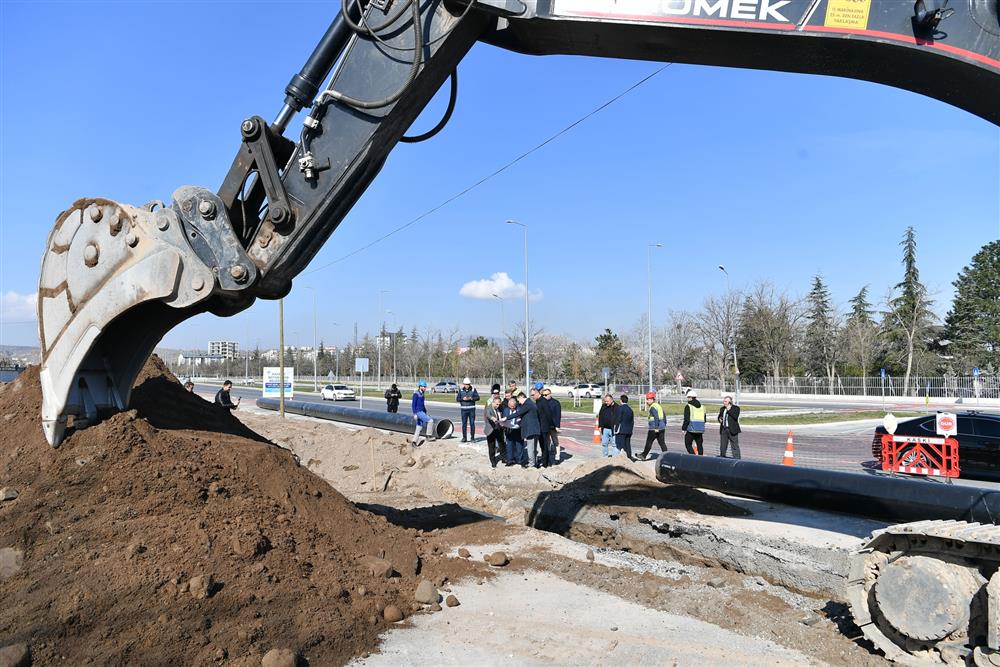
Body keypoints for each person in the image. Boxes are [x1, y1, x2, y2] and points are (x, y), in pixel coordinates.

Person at [505, 391, 541, 468]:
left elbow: (518, 413)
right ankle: (534, 462)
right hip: (534, 429)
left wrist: (506, 418)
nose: (519, 403)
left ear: (521, 397)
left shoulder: (527, 404)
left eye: (519, 400)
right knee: (533, 448)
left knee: (530, 448)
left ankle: (531, 464)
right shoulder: (531, 403)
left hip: (531, 430)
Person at [639, 391, 667, 460]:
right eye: (647, 399)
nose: (647, 401)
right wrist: (664, 424)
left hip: (654, 428)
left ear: (652, 399)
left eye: (648, 399)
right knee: (662, 443)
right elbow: (664, 415)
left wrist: (656, 427)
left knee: (649, 442)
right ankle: (667, 456)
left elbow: (656, 417)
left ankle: (643, 455)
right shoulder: (658, 406)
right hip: (662, 428)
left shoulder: (652, 407)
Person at [533, 386, 554, 467]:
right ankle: (545, 460)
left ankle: (545, 463)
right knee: (542, 445)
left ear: (537, 393)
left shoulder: (543, 401)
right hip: (540, 426)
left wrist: (550, 425)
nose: (532, 397)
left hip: (544, 427)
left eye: (533, 395)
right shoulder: (538, 401)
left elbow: (548, 413)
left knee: (544, 445)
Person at [681, 389, 705, 455]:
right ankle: (701, 458)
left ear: (691, 398)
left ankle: (693, 457)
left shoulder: (688, 406)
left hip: (691, 429)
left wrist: (684, 428)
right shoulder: (702, 407)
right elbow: (704, 419)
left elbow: (687, 419)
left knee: (688, 444)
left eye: (688, 397)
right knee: (699, 445)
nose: (687, 399)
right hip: (700, 429)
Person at [541, 387, 562, 463]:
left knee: (555, 441)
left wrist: (557, 426)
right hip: (544, 425)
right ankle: (547, 456)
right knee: (546, 441)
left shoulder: (555, 403)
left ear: (550, 394)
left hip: (553, 426)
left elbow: (558, 415)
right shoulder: (542, 402)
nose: (545, 396)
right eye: (543, 395)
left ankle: (557, 457)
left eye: (546, 395)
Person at [456, 377, 480, 442]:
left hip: (471, 410)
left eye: (468, 384)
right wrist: (462, 399)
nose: (466, 385)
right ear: (463, 384)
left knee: (472, 424)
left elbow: (478, 398)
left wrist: (471, 398)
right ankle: (464, 438)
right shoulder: (461, 390)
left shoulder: (473, 390)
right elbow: (457, 399)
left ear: (470, 384)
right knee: (464, 424)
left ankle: (472, 438)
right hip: (463, 410)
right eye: (465, 384)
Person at [411, 380, 434, 447]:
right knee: (430, 421)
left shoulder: (422, 394)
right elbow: (413, 405)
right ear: (420, 386)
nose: (425, 388)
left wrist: (425, 412)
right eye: (424, 387)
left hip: (422, 412)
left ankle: (414, 442)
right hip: (418, 412)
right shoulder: (416, 394)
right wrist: (415, 414)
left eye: (425, 387)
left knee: (419, 427)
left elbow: (422, 405)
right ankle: (428, 436)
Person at [718, 394, 742, 459]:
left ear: (730, 402)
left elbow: (735, 416)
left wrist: (729, 410)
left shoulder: (736, 408)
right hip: (724, 429)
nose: (724, 402)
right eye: (724, 401)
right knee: (723, 446)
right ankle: (722, 457)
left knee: (734, 446)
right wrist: (719, 419)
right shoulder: (722, 409)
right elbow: (719, 416)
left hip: (732, 429)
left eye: (725, 401)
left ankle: (737, 458)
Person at [483, 395, 504, 468]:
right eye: (496, 404)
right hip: (491, 430)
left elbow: (501, 415)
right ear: (493, 402)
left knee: (502, 444)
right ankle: (493, 461)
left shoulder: (499, 408)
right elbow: (488, 414)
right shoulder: (489, 408)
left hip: (498, 429)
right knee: (492, 446)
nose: (498, 406)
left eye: (499, 404)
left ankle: (503, 458)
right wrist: (492, 418)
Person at [502, 396, 523, 466]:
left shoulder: (519, 409)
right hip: (509, 430)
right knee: (509, 446)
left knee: (519, 445)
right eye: (511, 406)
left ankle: (519, 460)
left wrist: (520, 421)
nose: (512, 407)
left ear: (516, 404)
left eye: (513, 406)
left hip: (518, 429)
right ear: (508, 405)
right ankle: (510, 460)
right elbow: (504, 418)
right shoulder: (506, 410)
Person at [614, 394, 635, 460]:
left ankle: (623, 459)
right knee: (628, 444)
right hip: (629, 430)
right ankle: (629, 457)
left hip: (621, 430)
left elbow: (618, 419)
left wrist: (616, 430)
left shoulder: (620, 408)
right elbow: (632, 421)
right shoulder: (630, 409)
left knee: (621, 445)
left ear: (621, 400)